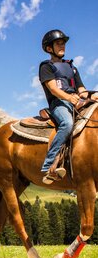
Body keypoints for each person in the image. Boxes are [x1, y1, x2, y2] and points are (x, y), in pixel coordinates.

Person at [39, 29, 98, 184]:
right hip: (59, 103)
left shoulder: (72, 67)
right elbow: (53, 89)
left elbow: (81, 90)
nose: (62, 46)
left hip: (76, 101)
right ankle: (49, 164)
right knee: (67, 124)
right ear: (49, 48)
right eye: (58, 43)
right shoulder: (46, 66)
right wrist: (69, 98)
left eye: (63, 43)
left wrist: (92, 95)